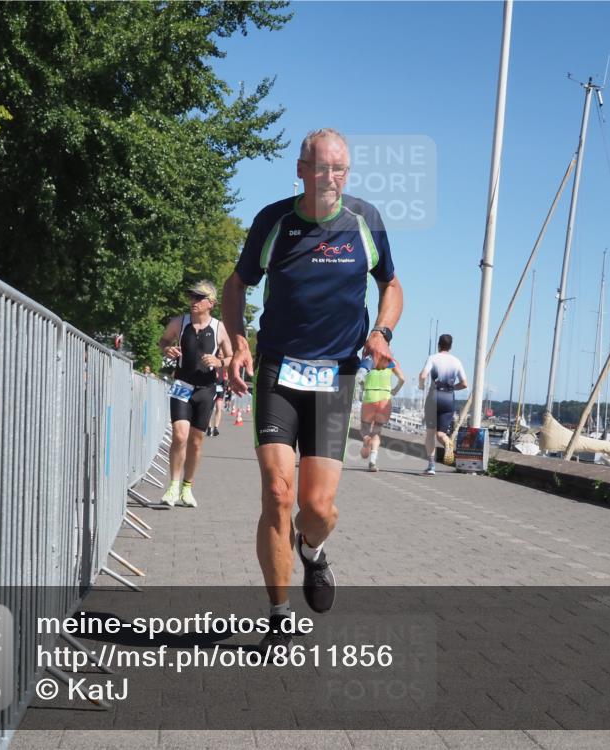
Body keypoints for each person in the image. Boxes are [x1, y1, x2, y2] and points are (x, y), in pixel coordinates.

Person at [223, 127, 402, 648]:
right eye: (321, 168)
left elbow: (390, 284)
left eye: (339, 170)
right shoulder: (273, 221)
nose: (330, 178)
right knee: (278, 493)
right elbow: (238, 285)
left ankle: (313, 553)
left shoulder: (365, 222)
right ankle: (279, 619)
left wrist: (381, 333)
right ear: (301, 169)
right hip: (279, 370)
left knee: (317, 508)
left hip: (335, 374)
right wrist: (238, 343)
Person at [158, 280, 233, 508]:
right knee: (179, 436)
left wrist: (219, 361)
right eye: (192, 297)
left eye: (199, 298)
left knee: (196, 442)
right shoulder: (179, 323)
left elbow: (230, 357)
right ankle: (172, 485)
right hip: (182, 384)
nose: (193, 302)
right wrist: (166, 348)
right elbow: (163, 341)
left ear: (211, 303)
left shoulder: (219, 328)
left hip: (205, 389)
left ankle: (187, 488)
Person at [418, 334, 468, 475]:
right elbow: (464, 383)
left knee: (430, 433)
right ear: (451, 346)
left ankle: (431, 466)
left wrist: (421, 385)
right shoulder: (456, 361)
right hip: (448, 398)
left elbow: (423, 375)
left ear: (439, 345)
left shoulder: (433, 358)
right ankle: (447, 442)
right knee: (441, 433)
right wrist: (452, 388)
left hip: (434, 396)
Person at [359, 361, 405, 472]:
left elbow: (359, 378)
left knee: (365, 428)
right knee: (377, 431)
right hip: (385, 398)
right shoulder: (391, 362)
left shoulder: (369, 360)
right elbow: (402, 379)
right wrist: (395, 390)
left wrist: (363, 387)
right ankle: (373, 462)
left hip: (370, 396)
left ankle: (366, 439)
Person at [208, 366, 226, 436]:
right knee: (210, 409)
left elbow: (226, 379)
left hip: (220, 390)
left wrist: (225, 385)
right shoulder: (212, 366)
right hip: (212, 389)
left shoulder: (224, 368)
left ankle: (215, 428)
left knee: (219, 408)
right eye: (219, 354)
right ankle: (209, 427)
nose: (220, 355)